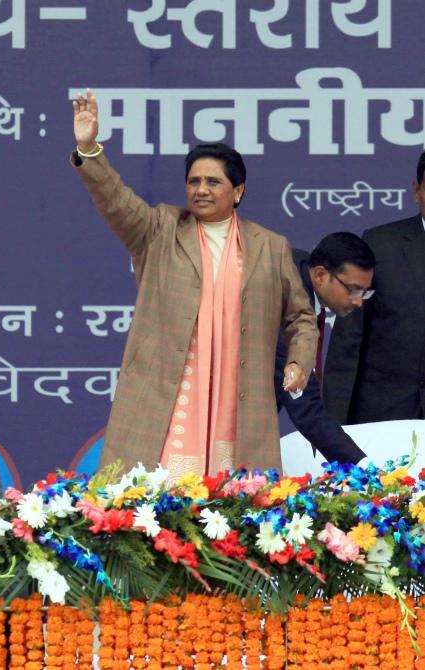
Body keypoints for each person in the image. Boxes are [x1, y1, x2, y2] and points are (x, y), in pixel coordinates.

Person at [70, 89, 318, 479]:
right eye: (193, 181)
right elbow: (115, 199)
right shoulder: (161, 228)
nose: (200, 189)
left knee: (234, 510)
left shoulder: (270, 246)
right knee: (151, 504)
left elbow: (302, 316)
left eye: (213, 182)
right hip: (166, 393)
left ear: (238, 191)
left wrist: (299, 362)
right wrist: (90, 150)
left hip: (239, 397)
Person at [324, 151, 425, 425]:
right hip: (384, 415)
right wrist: (332, 426)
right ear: (417, 190)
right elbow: (347, 341)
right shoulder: (380, 245)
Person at [275, 232, 375, 464]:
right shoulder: (287, 304)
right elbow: (306, 407)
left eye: (364, 291)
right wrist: (363, 468)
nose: (359, 300)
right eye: (353, 289)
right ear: (320, 275)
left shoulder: (301, 273)